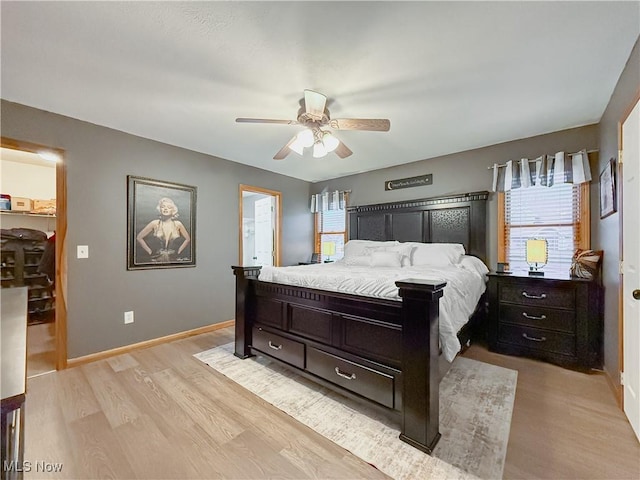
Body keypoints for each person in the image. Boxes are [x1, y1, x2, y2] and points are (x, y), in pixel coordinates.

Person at [136, 197, 191, 262]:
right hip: (156, 259)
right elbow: (139, 237)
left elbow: (188, 239)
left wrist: (179, 252)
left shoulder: (178, 224)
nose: (165, 209)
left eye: (169, 207)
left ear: (173, 210)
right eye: (163, 207)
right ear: (160, 209)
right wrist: (149, 251)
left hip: (173, 258)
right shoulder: (155, 223)